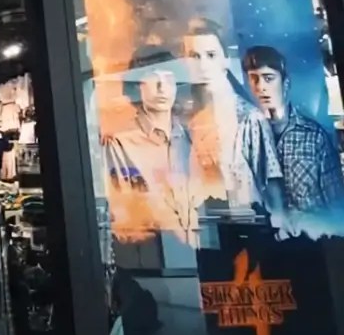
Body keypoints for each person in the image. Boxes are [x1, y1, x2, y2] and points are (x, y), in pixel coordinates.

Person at [181, 17, 282, 215]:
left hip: (248, 221)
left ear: (225, 59)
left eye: (211, 55)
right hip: (207, 222)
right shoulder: (191, 121)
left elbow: (271, 184)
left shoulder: (249, 118)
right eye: (194, 56)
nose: (203, 65)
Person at [103, 48, 195, 240]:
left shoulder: (190, 137)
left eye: (169, 79)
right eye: (153, 78)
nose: (162, 87)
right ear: (138, 85)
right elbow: (122, 214)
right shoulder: (120, 142)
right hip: (150, 246)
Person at [243, 45, 344, 214]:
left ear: (285, 83)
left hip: (314, 229)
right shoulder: (245, 138)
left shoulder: (314, 137)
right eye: (254, 79)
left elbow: (336, 205)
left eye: (268, 78)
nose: (261, 87)